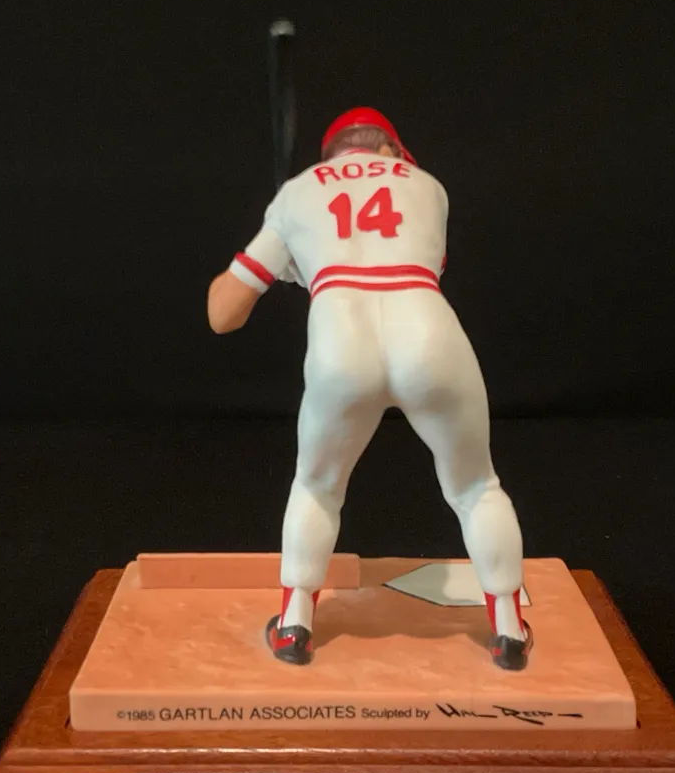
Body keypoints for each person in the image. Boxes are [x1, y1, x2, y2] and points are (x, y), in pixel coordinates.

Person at [207, 107, 531, 670]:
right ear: (389, 151)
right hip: (427, 330)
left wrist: (291, 254)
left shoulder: (297, 192)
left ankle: (294, 627)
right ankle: (509, 630)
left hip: (342, 341)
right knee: (476, 486)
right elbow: (420, 254)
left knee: (317, 487)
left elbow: (222, 315)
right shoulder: (428, 186)